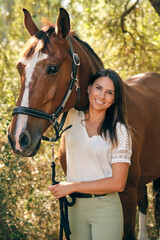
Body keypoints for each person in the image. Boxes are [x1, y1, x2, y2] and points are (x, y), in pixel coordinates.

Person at [49, 68, 132, 240]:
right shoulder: (70, 117)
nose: (102, 96)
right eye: (98, 88)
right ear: (88, 88)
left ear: (115, 99)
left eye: (109, 92)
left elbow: (118, 183)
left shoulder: (120, 131)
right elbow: (49, 93)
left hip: (105, 209)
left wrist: (73, 186)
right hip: (74, 208)